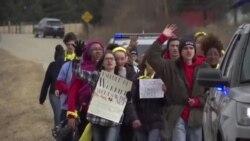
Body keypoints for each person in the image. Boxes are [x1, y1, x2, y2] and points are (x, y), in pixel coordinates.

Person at [147, 24, 208, 141]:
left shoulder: (204, 68)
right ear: (180, 51)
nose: (188, 51)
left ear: (195, 50)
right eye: (185, 49)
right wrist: (162, 38)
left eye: (191, 48)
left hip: (196, 115)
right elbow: (152, 57)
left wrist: (197, 101)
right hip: (177, 114)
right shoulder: (170, 66)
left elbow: (210, 92)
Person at [70, 50, 121, 141]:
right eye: (106, 59)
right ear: (102, 63)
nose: (109, 61)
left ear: (116, 63)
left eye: (112, 59)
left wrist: (128, 96)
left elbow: (129, 101)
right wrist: (78, 57)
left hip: (113, 121)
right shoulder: (96, 76)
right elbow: (78, 73)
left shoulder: (122, 81)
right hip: (98, 119)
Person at [66, 41, 104, 136]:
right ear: (88, 52)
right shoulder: (82, 69)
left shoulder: (108, 67)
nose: (98, 51)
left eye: (100, 49)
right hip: (85, 112)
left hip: (104, 113)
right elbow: (73, 92)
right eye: (95, 49)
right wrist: (71, 114)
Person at [127, 55, 164, 141]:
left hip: (157, 122)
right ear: (145, 62)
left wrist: (166, 92)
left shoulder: (162, 78)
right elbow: (131, 101)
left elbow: (168, 103)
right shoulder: (136, 78)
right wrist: (134, 118)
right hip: (140, 121)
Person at [39, 44, 65, 136]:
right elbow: (46, 83)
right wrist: (42, 98)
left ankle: (59, 132)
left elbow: (46, 84)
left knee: (61, 114)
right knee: (58, 113)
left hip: (62, 94)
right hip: (55, 94)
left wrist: (42, 98)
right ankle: (58, 133)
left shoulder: (66, 65)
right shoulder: (52, 65)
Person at [112, 46, 136, 141]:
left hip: (128, 113)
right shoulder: (109, 71)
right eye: (116, 59)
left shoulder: (132, 72)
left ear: (126, 58)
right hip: (113, 111)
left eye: (122, 59)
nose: (119, 61)